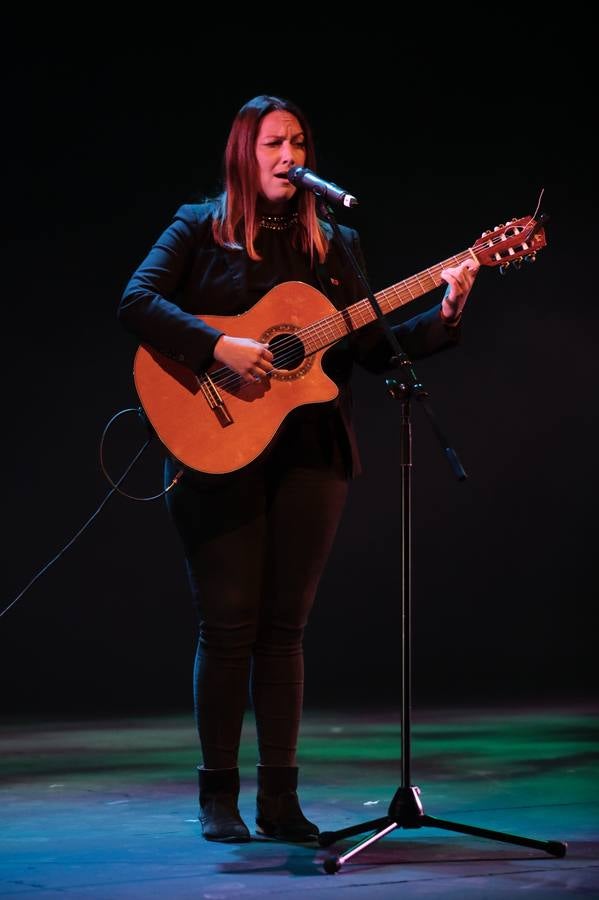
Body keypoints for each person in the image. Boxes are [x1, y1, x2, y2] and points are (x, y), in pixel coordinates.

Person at [117, 94, 478, 844]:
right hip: (214, 451)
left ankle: (279, 801)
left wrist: (443, 315)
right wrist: (219, 347)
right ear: (244, 154)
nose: (291, 156)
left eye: (300, 142)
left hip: (312, 454)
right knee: (228, 627)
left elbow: (373, 350)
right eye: (275, 143)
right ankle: (218, 797)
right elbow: (136, 301)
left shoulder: (334, 246)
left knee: (285, 630)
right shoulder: (199, 227)